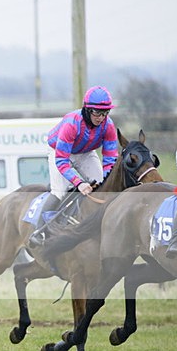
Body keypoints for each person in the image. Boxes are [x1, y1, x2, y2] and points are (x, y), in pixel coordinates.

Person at [28, 86, 119, 247]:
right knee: (60, 191)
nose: (101, 117)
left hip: (86, 152)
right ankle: (39, 231)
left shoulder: (108, 126)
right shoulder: (72, 123)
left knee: (102, 188)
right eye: (97, 112)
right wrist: (79, 183)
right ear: (87, 109)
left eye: (105, 113)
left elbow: (110, 159)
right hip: (61, 152)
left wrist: (105, 180)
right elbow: (62, 160)